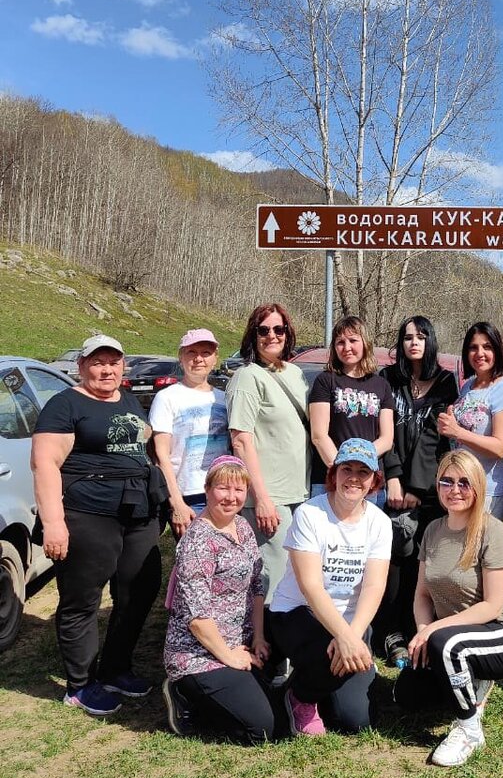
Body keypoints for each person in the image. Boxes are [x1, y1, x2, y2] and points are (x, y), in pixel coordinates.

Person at [31, 334, 165, 716]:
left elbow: (146, 445)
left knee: (139, 589)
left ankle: (115, 668)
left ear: (123, 366)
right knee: (83, 598)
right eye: (98, 362)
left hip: (137, 513)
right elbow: (44, 463)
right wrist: (54, 522)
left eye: (113, 362)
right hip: (87, 513)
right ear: (82, 365)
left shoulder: (128, 399)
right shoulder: (65, 404)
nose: (107, 369)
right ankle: (80, 684)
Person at [394, 450, 503, 767]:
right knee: (407, 694)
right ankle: (471, 680)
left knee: (446, 645)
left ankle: (469, 729)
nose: (455, 490)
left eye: (464, 482)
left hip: (502, 632)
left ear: (478, 486)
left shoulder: (492, 531)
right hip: (453, 636)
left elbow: (492, 606)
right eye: (447, 481)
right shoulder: (433, 530)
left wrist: (434, 631)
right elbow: (422, 595)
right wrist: (423, 632)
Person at [269, 439, 391, 735]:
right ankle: (299, 697)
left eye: (363, 472)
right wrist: (344, 637)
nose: (354, 478)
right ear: (333, 473)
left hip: (351, 620)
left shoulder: (379, 522)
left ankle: (322, 681)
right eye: (346, 469)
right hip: (298, 612)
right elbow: (310, 586)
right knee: (327, 655)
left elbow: (374, 586)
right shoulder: (310, 514)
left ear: (374, 480)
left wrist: (353, 635)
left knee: (356, 720)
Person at [162, 455, 275, 744]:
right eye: (223, 488)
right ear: (207, 489)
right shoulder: (198, 541)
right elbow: (197, 619)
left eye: (239, 489)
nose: (231, 497)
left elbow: (256, 586)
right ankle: (183, 695)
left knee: (279, 712)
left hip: (240, 642)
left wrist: (258, 637)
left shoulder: (242, 526)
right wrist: (230, 657)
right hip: (199, 653)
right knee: (260, 731)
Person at [377, 315, 459, 667]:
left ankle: (419, 629)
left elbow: (433, 437)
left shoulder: (445, 381)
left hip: (431, 486)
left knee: (423, 558)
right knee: (395, 556)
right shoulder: (387, 378)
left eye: (421, 336)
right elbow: (385, 431)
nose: (414, 342)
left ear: (430, 341)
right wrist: (394, 477)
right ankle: (391, 631)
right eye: (408, 336)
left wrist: (415, 485)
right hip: (393, 484)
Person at [225, 304, 309, 604]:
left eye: (278, 329)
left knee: (296, 578)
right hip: (270, 498)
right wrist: (261, 499)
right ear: (253, 335)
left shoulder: (296, 374)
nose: (272, 335)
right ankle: (266, 634)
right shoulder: (247, 377)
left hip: (299, 494)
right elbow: (241, 440)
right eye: (263, 330)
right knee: (273, 582)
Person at [437, 322, 503, 520]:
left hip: (488, 488)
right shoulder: (467, 386)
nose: (479, 353)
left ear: (497, 351)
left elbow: (500, 447)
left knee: (479, 540)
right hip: (462, 485)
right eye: (473, 348)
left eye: (487, 347)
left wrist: (457, 432)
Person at [150, 328, 229, 536]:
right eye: (191, 352)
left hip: (224, 492)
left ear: (215, 358)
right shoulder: (167, 398)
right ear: (181, 357)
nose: (198, 359)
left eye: (205, 353)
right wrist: (176, 503)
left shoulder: (224, 398)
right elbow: (161, 455)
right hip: (188, 495)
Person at [308, 316, 394, 503]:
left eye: (353, 340)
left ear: (365, 343)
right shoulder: (325, 381)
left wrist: (360, 464)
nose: (346, 347)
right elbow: (319, 435)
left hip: (369, 482)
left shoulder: (382, 385)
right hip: (329, 480)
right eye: (340, 342)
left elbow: (386, 439)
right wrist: (342, 470)